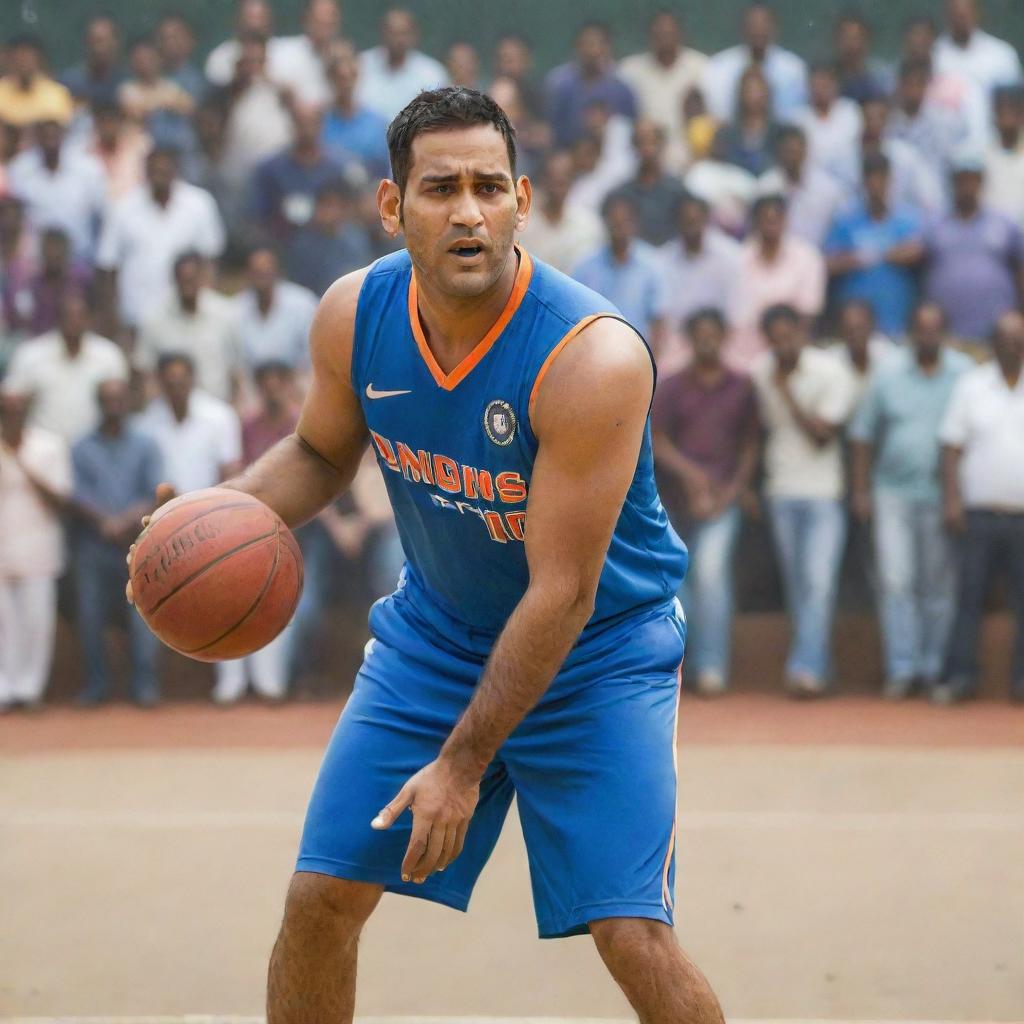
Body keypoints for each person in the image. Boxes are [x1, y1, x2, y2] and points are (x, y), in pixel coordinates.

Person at [129, 86, 723, 1023]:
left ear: (524, 201)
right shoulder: (353, 315)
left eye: (490, 187)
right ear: (391, 205)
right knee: (319, 903)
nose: (469, 212)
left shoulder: (590, 357)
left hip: (596, 653)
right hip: (437, 638)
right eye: (440, 188)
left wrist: (460, 764)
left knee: (631, 935)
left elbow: (562, 595)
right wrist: (213, 514)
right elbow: (322, 453)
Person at [849, 302, 971, 699]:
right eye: (921, 329)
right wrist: (861, 490)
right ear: (910, 332)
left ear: (946, 333)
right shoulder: (889, 374)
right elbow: (863, 436)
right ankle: (902, 669)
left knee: (938, 585)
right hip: (892, 494)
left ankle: (933, 667)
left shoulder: (964, 373)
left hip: (943, 495)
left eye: (936, 329)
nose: (928, 336)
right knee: (896, 581)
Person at [652, 308, 758, 695]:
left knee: (712, 575)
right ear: (690, 339)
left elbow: (750, 444)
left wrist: (731, 490)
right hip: (676, 501)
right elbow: (656, 440)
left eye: (715, 333)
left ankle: (712, 666)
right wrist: (692, 477)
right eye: (700, 335)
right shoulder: (673, 385)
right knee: (678, 585)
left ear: (725, 336)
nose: (707, 341)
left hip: (721, 503)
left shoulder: (741, 384)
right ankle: (680, 665)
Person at [752, 304, 854, 697]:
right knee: (799, 587)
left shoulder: (829, 371)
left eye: (788, 335)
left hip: (825, 492)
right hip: (781, 490)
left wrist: (787, 392)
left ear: (801, 332)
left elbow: (823, 435)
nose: (782, 344)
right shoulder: (760, 371)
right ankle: (818, 665)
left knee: (819, 583)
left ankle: (805, 669)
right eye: (774, 338)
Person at [136, 353, 243, 704]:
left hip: (216, 517)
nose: (176, 384)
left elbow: (232, 469)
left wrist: (207, 510)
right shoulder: (146, 423)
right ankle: (150, 687)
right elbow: (150, 481)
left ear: (194, 379)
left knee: (230, 595)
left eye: (182, 378)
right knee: (156, 597)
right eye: (169, 379)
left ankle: (233, 683)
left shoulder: (219, 416)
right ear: (160, 382)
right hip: (163, 526)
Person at [938, 310, 1024, 704]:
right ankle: (960, 677)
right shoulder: (971, 385)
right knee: (968, 597)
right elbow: (951, 448)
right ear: (993, 343)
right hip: (978, 514)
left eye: (1019, 337)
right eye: (1005, 337)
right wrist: (952, 499)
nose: (1013, 344)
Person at [70, 378, 164, 707]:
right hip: (93, 545)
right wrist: (104, 522)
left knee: (144, 619)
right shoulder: (81, 447)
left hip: (137, 545)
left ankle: (145, 687)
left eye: (119, 399)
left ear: (128, 402)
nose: (114, 405)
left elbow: (155, 490)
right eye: (107, 399)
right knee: (90, 616)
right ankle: (97, 686)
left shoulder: (145, 444)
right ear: (99, 403)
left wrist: (122, 521)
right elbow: (76, 494)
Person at [215, 361, 303, 704]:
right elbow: (239, 469)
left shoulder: (302, 420)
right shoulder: (247, 425)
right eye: (264, 383)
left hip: (296, 520)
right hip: (248, 522)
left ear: (287, 384)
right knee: (235, 594)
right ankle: (232, 682)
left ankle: (270, 684)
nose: (271, 389)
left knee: (282, 599)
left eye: (277, 382)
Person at [96, 146, 226, 332]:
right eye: (154, 170)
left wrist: (204, 307)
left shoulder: (199, 204)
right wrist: (113, 318)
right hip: (137, 315)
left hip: (187, 317)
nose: (159, 175)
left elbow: (210, 260)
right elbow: (108, 266)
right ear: (145, 172)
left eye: (164, 170)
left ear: (176, 170)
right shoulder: (123, 208)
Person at [0, 388, 71, 712]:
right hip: (3, 545)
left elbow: (60, 500)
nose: (11, 416)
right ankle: (4, 688)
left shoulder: (48, 445)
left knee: (36, 623)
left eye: (17, 410)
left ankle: (30, 689)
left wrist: (19, 459)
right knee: (4, 624)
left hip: (38, 547)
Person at [3, 291, 128, 444]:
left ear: (90, 318)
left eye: (80, 315)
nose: (74, 322)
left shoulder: (108, 355)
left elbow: (120, 405)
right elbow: (10, 401)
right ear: (58, 319)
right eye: (68, 316)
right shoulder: (31, 355)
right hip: (43, 450)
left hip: (95, 451)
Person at [923, 155, 1024, 344]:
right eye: (961, 180)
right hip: (947, 339)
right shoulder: (934, 225)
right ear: (952, 183)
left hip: (996, 338)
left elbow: (1020, 270)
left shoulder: (1003, 224)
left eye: (972, 179)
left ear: (981, 182)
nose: (966, 186)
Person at [825, 152, 924, 338]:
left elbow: (917, 252)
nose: (876, 186)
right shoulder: (846, 219)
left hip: (897, 320)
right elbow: (829, 264)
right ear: (864, 181)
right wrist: (855, 259)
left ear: (889, 180)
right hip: (856, 326)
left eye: (881, 179)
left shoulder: (906, 218)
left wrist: (881, 253)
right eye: (871, 179)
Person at [731, 194, 826, 368]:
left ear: (785, 220)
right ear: (755, 223)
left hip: (792, 348)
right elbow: (738, 316)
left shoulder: (807, 257)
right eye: (765, 219)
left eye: (775, 219)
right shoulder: (738, 260)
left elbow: (808, 314)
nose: (770, 225)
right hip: (747, 351)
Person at [136, 251, 243, 404]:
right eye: (183, 280)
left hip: (218, 411)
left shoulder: (225, 314)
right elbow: (147, 375)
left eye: (192, 279)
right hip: (171, 416)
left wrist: (234, 412)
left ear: (202, 278)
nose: (188, 286)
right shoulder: (155, 319)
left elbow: (236, 372)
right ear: (174, 280)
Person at [6, 118, 107, 261]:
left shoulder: (88, 169)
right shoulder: (20, 169)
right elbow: (13, 217)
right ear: (37, 138)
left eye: (54, 136)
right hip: (36, 262)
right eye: (46, 137)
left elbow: (101, 214)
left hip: (79, 258)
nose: (50, 142)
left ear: (64, 136)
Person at [571, 193, 665, 344]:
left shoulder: (652, 265)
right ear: (606, 223)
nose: (619, 227)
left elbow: (659, 320)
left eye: (624, 222)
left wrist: (654, 362)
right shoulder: (586, 266)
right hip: (595, 351)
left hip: (639, 353)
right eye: (614, 222)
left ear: (635, 223)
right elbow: (574, 316)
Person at [249, 105, 351, 241]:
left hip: (330, 243)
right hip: (287, 244)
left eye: (312, 123)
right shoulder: (271, 169)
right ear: (292, 126)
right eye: (301, 124)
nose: (307, 130)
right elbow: (258, 216)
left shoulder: (338, 168)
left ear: (321, 126)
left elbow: (351, 213)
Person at [656, 192, 741, 349]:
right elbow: (665, 316)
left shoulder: (730, 255)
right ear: (677, 222)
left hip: (722, 343)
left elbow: (735, 314)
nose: (691, 226)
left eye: (695, 220)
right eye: (686, 221)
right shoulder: (662, 260)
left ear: (706, 219)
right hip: (679, 345)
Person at [701, 2, 807, 122]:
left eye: (764, 24)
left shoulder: (793, 69)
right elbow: (716, 115)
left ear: (775, 28)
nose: (758, 30)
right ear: (743, 29)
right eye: (753, 25)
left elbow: (797, 116)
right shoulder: (720, 67)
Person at [617, 10, 707, 147]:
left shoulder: (700, 67)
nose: (664, 38)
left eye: (668, 33)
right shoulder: (629, 70)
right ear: (650, 36)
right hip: (644, 154)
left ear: (679, 34)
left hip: (688, 153)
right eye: (659, 34)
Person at [544, 21, 636, 148]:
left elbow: (630, 131)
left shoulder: (621, 89)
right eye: (587, 44)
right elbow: (550, 129)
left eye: (598, 44)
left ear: (608, 48)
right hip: (569, 153)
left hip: (613, 156)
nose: (592, 51)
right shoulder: (559, 84)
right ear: (577, 47)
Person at [757, 125, 849, 248]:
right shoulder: (765, 187)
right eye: (788, 152)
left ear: (805, 151)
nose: (792, 157)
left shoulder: (828, 189)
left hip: (821, 258)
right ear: (779, 152)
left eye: (796, 152)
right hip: (776, 259)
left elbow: (840, 229)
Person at [233, 246, 318, 375]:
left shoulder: (303, 304)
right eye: (257, 273)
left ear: (277, 272)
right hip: (252, 389)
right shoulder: (235, 309)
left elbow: (313, 355)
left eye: (266, 273)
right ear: (247, 274)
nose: (262, 279)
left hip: (297, 384)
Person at [284, 179, 374, 297]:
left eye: (334, 206)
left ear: (345, 209)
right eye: (325, 205)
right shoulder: (303, 243)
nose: (329, 212)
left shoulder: (357, 240)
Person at [519, 149, 603, 273]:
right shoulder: (520, 222)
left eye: (565, 177)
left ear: (572, 180)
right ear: (543, 179)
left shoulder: (589, 226)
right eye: (553, 177)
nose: (559, 183)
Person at [605, 120, 687, 247]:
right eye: (641, 142)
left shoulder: (678, 191)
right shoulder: (621, 194)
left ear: (662, 144)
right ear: (634, 146)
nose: (647, 147)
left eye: (652, 141)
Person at [356, 9, 448, 121]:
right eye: (392, 33)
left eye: (402, 33)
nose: (397, 40)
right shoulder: (361, 65)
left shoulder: (431, 73)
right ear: (382, 33)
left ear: (414, 35)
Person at [5, 227, 92, 338]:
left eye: (57, 251)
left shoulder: (79, 282)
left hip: (71, 340)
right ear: (42, 251)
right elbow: (17, 319)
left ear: (66, 253)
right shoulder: (31, 285)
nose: (53, 255)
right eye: (49, 250)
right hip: (36, 342)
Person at [321, 41, 390, 178]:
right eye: (339, 76)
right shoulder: (317, 123)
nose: (345, 82)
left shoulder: (377, 124)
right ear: (328, 76)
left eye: (349, 76)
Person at [117, 36, 195, 156]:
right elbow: (136, 113)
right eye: (140, 60)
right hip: (138, 146)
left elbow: (189, 108)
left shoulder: (170, 86)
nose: (145, 64)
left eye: (149, 59)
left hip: (171, 145)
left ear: (159, 60)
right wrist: (164, 103)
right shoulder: (127, 90)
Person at [932, 0, 1022, 103]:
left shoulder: (1002, 55)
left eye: (965, 14)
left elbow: (1015, 104)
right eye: (956, 14)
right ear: (946, 14)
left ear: (977, 13)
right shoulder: (934, 54)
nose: (961, 19)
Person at [827, 298, 898, 409]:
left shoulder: (889, 357)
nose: (855, 335)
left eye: (860, 328)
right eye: (849, 329)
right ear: (841, 329)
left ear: (872, 325)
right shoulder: (830, 360)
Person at [714, 65, 783, 178]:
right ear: (741, 93)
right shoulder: (726, 132)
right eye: (749, 90)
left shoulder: (779, 132)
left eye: (758, 90)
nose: (754, 96)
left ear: (767, 93)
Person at [271, 0, 343, 108]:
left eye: (330, 16)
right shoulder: (284, 52)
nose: (326, 21)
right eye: (320, 18)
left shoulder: (345, 61)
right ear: (307, 20)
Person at [797, 61, 862, 171]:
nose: (820, 90)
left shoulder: (850, 111)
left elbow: (847, 146)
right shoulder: (798, 118)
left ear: (835, 84)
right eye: (816, 85)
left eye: (824, 84)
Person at [0, 35, 74, 131]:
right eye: (19, 56)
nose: (24, 61)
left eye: (28, 56)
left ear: (39, 59)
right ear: (10, 60)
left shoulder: (57, 94)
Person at [83, 99, 152, 201]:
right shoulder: (85, 152)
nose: (108, 127)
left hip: (131, 206)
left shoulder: (138, 148)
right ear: (96, 125)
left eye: (111, 122)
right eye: (103, 122)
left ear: (120, 124)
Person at [61, 14, 127, 108]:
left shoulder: (127, 83)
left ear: (116, 43)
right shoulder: (70, 83)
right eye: (93, 41)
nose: (98, 48)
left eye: (103, 41)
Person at [984, 86, 1024, 232]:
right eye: (1002, 110)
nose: (1007, 116)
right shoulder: (982, 157)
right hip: (993, 238)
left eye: (1013, 111)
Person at [833, 10, 893, 103]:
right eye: (846, 38)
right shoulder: (830, 76)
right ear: (837, 41)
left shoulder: (880, 75)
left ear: (866, 41)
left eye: (855, 38)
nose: (851, 44)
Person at [155, 12, 207, 100]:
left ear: (191, 41)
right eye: (165, 37)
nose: (170, 42)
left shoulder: (199, 83)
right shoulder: (148, 80)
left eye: (175, 36)